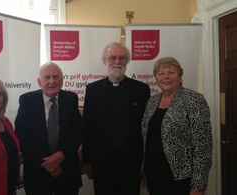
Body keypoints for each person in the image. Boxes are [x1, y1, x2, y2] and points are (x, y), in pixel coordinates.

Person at [82, 42, 151, 195]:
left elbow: (146, 130)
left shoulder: (141, 90)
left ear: (127, 61)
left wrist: (145, 165)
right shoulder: (93, 90)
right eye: (112, 58)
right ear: (104, 61)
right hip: (101, 164)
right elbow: (88, 127)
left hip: (131, 164)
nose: (117, 62)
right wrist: (87, 161)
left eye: (122, 58)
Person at [140, 56, 213, 195]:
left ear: (180, 76)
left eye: (171, 72)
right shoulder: (152, 101)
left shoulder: (194, 100)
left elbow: (203, 146)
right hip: (154, 174)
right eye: (161, 73)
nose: (166, 77)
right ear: (156, 78)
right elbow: (147, 141)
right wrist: (144, 172)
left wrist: (198, 185)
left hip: (182, 177)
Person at [15, 62, 83, 195]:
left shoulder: (71, 99)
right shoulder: (27, 100)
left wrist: (61, 155)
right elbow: (21, 135)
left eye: (56, 77)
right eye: (47, 77)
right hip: (38, 172)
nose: (52, 81)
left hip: (67, 171)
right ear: (39, 82)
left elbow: (78, 131)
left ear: (62, 80)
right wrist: (48, 163)